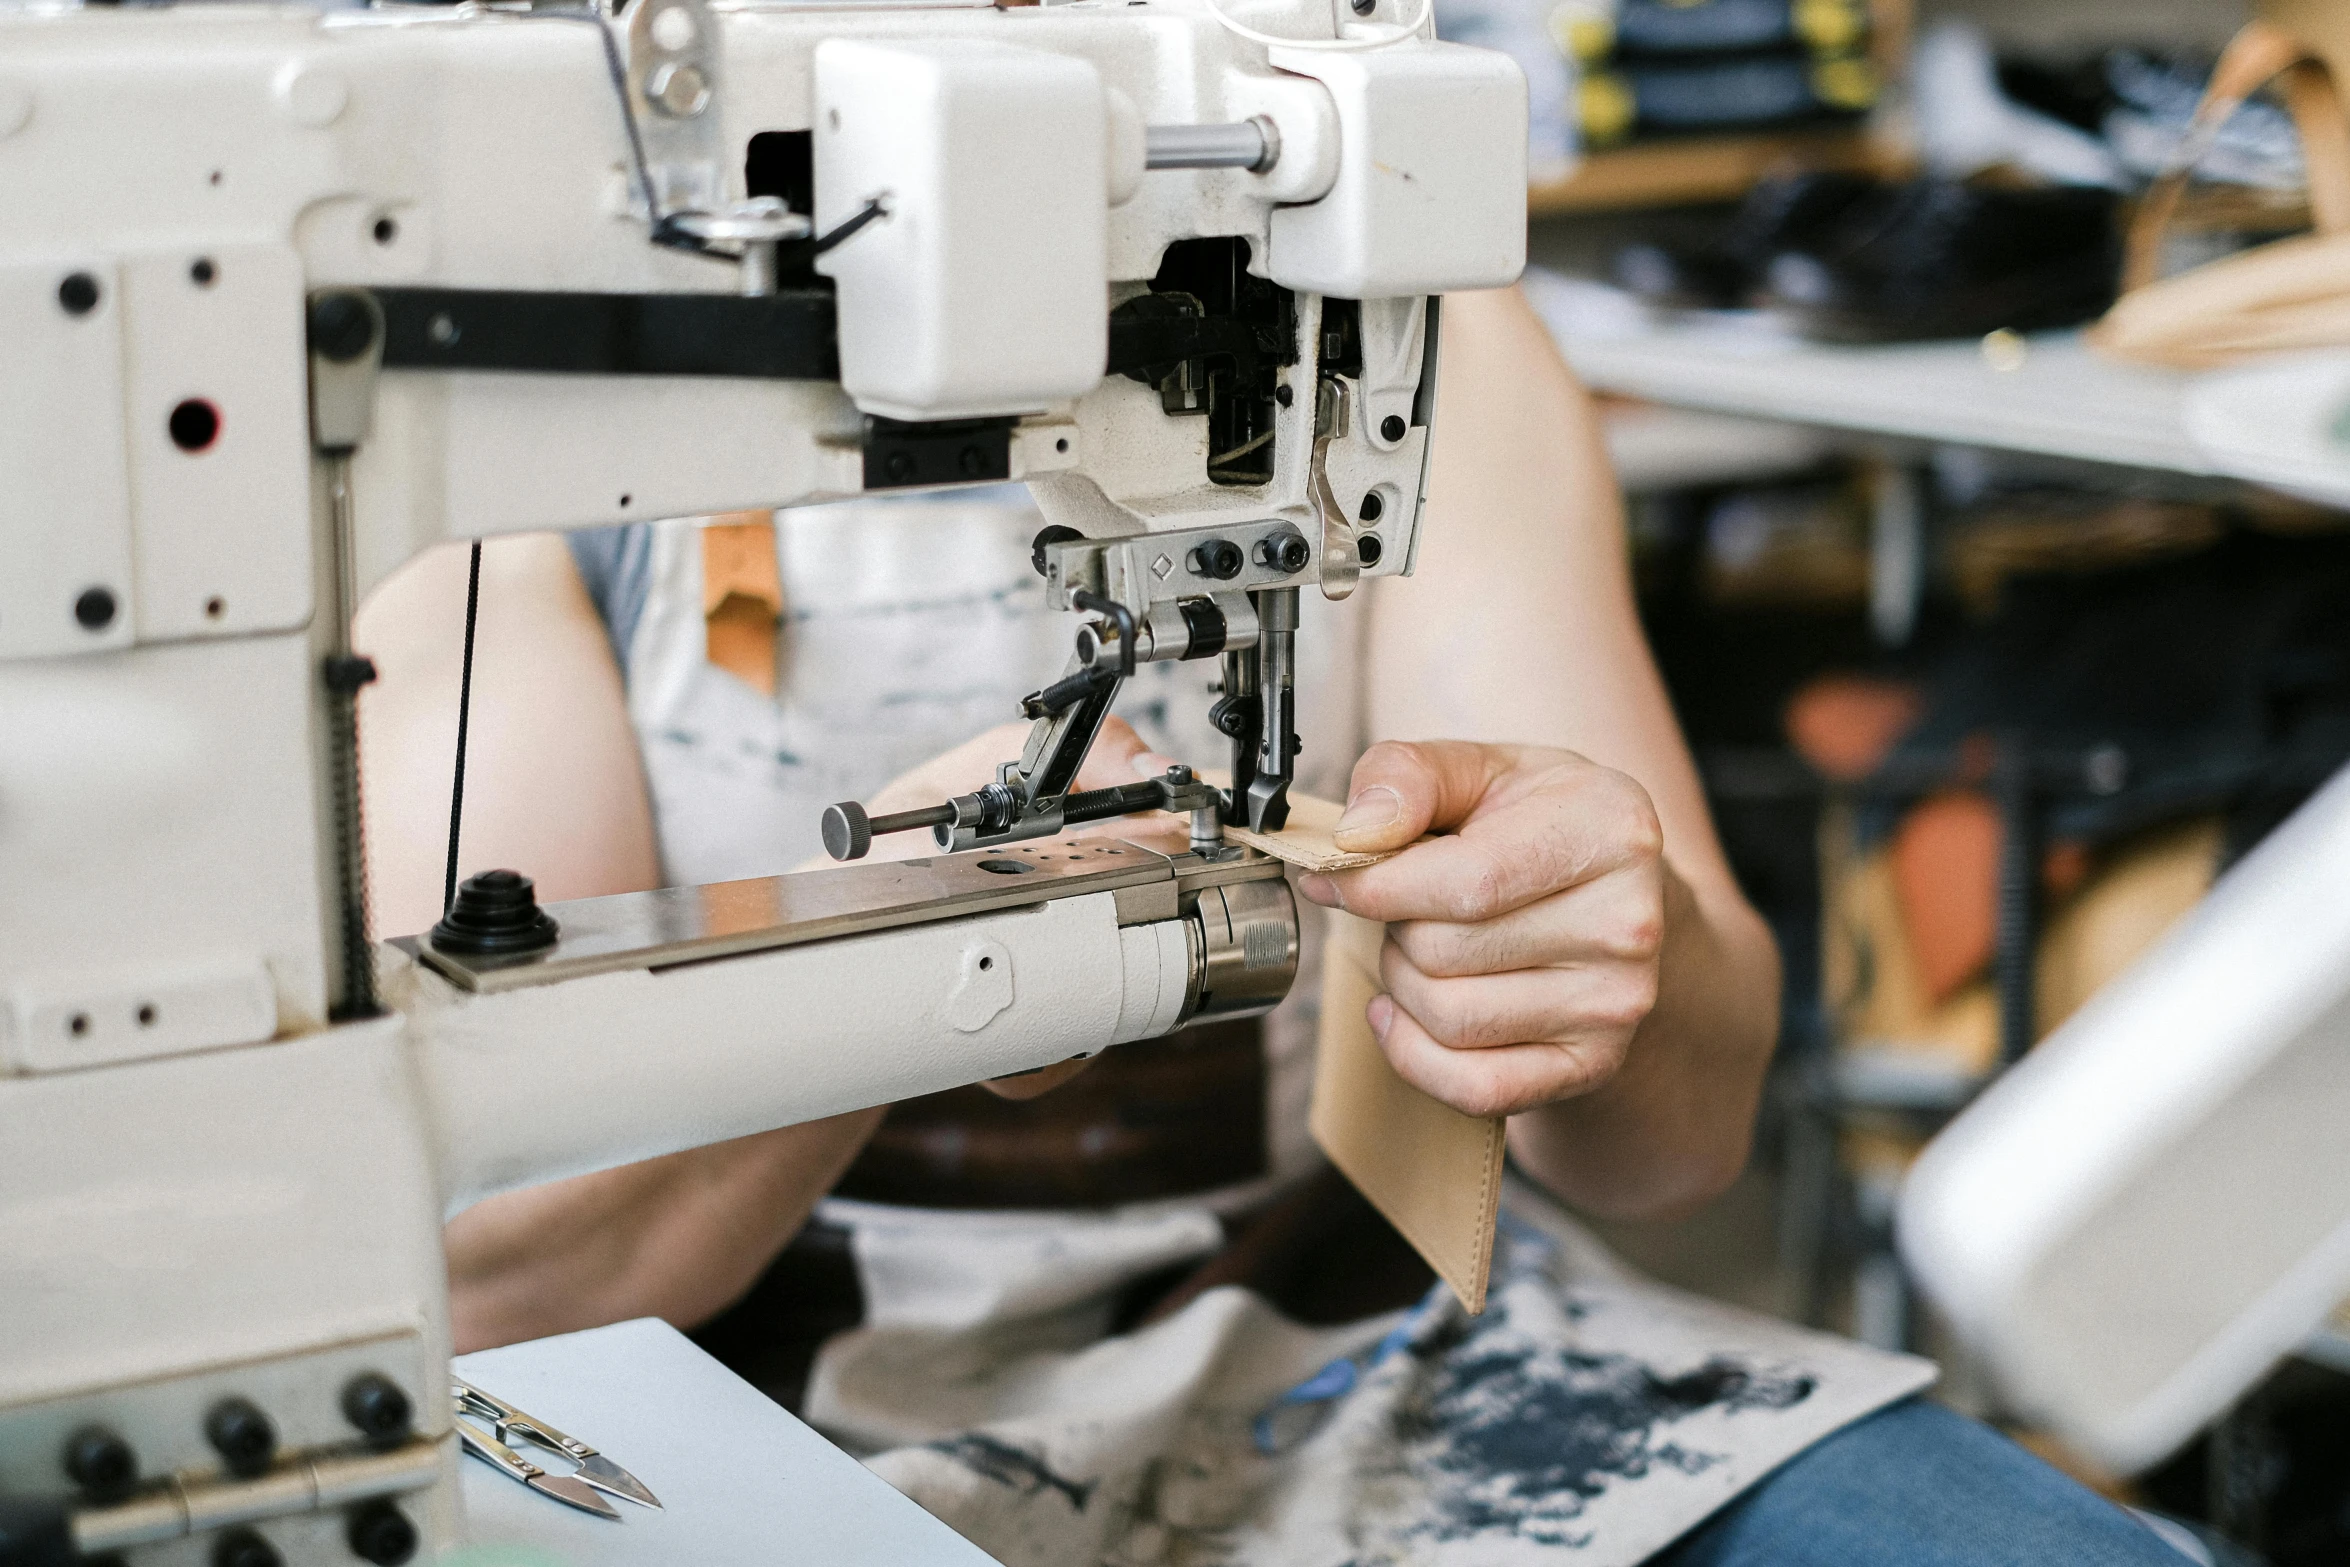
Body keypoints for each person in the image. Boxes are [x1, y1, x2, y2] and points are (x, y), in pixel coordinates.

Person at [358, 287, 2191, 1565]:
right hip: (745, 1402)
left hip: (1355, 1344)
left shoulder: (1404, 331)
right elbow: (502, 1280)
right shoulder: (526, 439)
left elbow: (1675, 1139)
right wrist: (897, 963)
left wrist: (1602, 952)